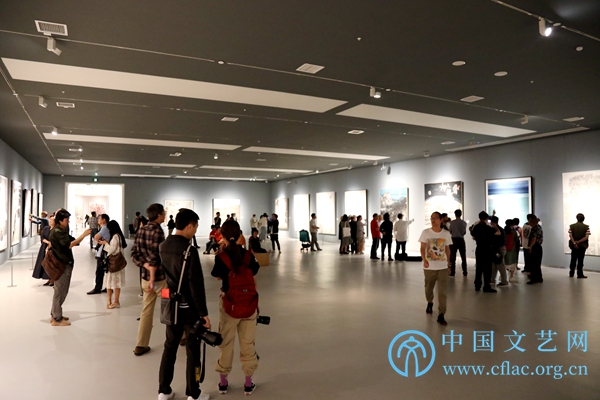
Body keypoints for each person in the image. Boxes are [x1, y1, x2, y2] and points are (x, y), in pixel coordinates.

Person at [158, 209, 211, 400]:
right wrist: (203, 313)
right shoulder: (190, 250)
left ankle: (164, 390)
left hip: (170, 304)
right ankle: (193, 393)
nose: (195, 231)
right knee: (192, 349)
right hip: (189, 308)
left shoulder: (163, 246)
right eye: (195, 227)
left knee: (170, 346)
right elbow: (196, 285)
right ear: (189, 226)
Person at [211, 220, 260, 396]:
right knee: (248, 343)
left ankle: (223, 383)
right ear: (240, 235)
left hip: (229, 305)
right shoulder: (248, 255)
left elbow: (217, 277)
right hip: (249, 305)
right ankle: (248, 383)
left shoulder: (221, 257)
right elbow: (253, 275)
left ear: (222, 236)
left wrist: (221, 251)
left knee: (226, 343)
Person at [131, 203, 167, 356]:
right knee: (169, 306)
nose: (165, 215)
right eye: (163, 213)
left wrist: (144, 265)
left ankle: (141, 344)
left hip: (145, 281)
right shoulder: (157, 231)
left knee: (146, 310)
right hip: (160, 282)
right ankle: (180, 337)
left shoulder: (141, 229)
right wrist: (152, 277)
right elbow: (155, 256)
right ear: (158, 215)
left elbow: (134, 253)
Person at [49, 209, 92, 326]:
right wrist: (83, 235)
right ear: (60, 220)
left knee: (62, 290)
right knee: (60, 291)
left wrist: (80, 238)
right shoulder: (57, 232)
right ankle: (56, 318)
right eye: (66, 219)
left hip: (64, 264)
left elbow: (73, 241)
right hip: (62, 265)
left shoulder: (61, 231)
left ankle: (55, 314)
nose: (68, 221)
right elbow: (69, 245)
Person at [419, 212, 452, 326]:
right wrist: (424, 259)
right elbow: (422, 247)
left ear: (441, 220)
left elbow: (447, 249)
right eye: (431, 218)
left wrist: (449, 263)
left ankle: (441, 314)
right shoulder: (426, 232)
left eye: (436, 218)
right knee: (428, 288)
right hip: (429, 267)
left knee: (442, 292)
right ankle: (430, 301)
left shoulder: (446, 234)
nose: (433, 220)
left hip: (442, 266)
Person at [98, 220, 128, 309]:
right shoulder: (119, 236)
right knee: (116, 283)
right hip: (118, 263)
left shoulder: (115, 237)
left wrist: (105, 244)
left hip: (113, 263)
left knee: (110, 282)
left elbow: (112, 249)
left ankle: (110, 301)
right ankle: (115, 301)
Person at [470, 211, 497, 293]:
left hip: (479, 248)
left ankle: (477, 285)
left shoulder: (476, 227)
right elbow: (495, 233)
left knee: (479, 267)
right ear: (487, 218)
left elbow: (473, 234)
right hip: (487, 249)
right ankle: (486, 286)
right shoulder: (488, 228)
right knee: (487, 268)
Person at [87, 213, 110, 295]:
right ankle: (108, 287)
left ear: (104, 220)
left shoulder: (104, 228)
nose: (98, 220)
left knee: (100, 271)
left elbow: (96, 237)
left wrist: (99, 241)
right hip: (104, 251)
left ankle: (98, 288)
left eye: (100, 218)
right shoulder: (106, 228)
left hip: (103, 252)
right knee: (106, 271)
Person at [32, 213, 54, 286]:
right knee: (45, 263)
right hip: (44, 247)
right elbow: (42, 237)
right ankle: (48, 279)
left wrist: (49, 244)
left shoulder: (55, 230)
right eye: (50, 220)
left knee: (51, 264)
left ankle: (52, 279)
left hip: (52, 248)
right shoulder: (46, 228)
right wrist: (47, 242)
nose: (50, 221)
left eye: (52, 220)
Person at [568, 213, 590, 279]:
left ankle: (571, 273)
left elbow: (570, 236)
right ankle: (580, 274)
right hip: (582, 246)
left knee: (573, 259)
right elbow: (586, 237)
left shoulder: (571, 226)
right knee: (580, 260)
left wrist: (574, 243)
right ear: (583, 219)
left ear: (577, 218)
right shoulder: (586, 227)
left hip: (574, 246)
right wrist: (579, 242)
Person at [490, 216, 508, 287]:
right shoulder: (499, 229)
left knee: (500, 265)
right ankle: (492, 279)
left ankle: (504, 281)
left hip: (499, 249)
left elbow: (497, 241)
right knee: (494, 265)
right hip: (498, 249)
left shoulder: (498, 230)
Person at [449, 209, 467, 276]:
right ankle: (465, 271)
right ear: (461, 214)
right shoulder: (464, 223)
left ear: (455, 214)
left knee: (453, 257)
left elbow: (450, 231)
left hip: (454, 240)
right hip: (461, 240)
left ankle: (452, 272)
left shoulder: (452, 222)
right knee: (463, 256)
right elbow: (464, 232)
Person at [527, 215, 544, 284]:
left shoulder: (534, 229)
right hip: (539, 247)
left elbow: (533, 239)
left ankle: (534, 279)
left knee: (533, 263)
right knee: (537, 264)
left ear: (532, 222)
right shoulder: (539, 227)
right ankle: (539, 278)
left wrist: (530, 247)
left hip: (535, 247)